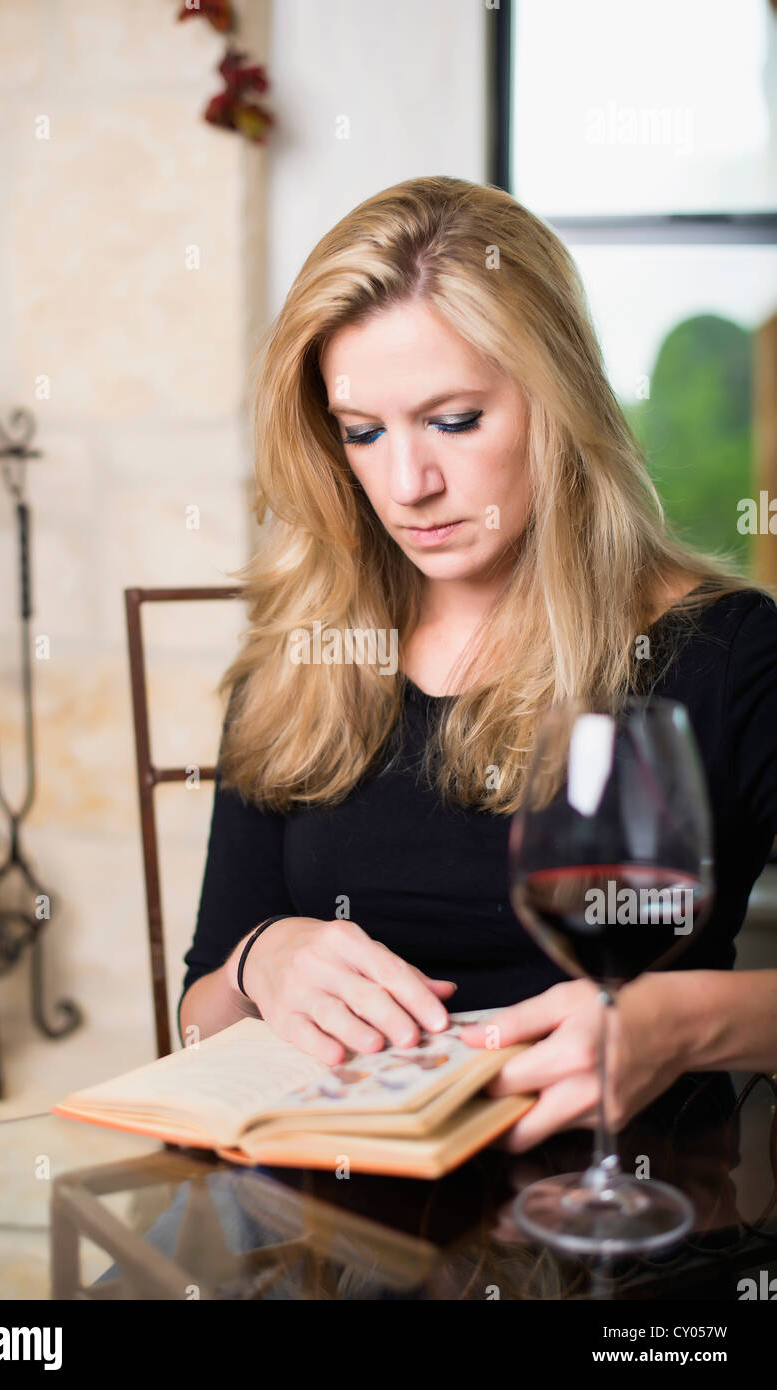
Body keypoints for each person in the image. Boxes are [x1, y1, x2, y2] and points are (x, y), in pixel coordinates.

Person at [178, 174, 777, 1153]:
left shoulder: (719, 653)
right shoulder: (303, 656)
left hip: (619, 1218)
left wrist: (680, 1025)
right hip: (323, 1221)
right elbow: (198, 1023)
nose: (408, 484)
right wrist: (259, 960)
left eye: (453, 420)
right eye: (361, 432)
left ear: (556, 398)